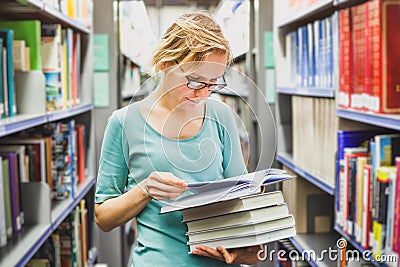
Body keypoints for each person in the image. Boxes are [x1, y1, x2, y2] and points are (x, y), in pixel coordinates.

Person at [94, 11, 262, 266]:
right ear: (165, 64)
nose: (203, 94)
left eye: (213, 83)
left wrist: (248, 247)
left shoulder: (222, 116)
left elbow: (241, 202)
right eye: (195, 81)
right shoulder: (123, 123)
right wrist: (145, 190)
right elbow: (103, 219)